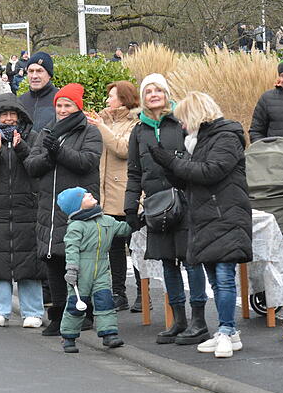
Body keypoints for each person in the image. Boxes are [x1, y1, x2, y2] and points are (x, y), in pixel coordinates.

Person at [149, 91, 252, 358]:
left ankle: (228, 330)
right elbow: (189, 181)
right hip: (206, 216)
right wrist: (169, 167)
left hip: (225, 215)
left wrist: (173, 162)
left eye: (184, 119)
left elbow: (210, 172)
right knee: (216, 281)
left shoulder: (227, 137)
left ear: (196, 115)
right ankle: (227, 332)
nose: (181, 125)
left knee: (225, 277)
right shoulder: (199, 141)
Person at [124, 74, 210, 343]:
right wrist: (129, 206)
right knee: (167, 263)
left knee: (190, 261)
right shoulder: (138, 131)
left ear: (166, 94)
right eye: (148, 90)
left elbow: (197, 159)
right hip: (156, 205)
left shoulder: (182, 122)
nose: (153, 94)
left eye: (158, 89)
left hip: (184, 201)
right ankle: (178, 319)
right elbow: (134, 172)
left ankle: (198, 321)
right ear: (142, 97)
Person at [24, 83, 102, 336]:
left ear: (77, 106)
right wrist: (49, 155)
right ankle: (58, 314)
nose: (62, 110)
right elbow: (32, 165)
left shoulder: (90, 132)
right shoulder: (47, 131)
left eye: (68, 105)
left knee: (78, 263)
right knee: (53, 261)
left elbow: (86, 162)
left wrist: (59, 151)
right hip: (50, 206)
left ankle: (82, 313)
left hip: (77, 208)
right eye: (59, 105)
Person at [0, 93, 43, 327]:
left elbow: (37, 167)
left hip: (27, 207)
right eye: (5, 114)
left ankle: (32, 311)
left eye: (13, 114)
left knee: (29, 260)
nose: (10, 119)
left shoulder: (32, 137)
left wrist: (21, 147)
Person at [86, 81, 140, 312]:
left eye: (112, 97)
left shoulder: (135, 123)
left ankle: (143, 293)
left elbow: (123, 148)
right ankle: (119, 293)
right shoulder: (105, 120)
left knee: (135, 246)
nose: (108, 100)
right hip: (106, 194)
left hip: (126, 194)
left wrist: (100, 126)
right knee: (114, 247)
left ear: (124, 99)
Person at [56, 187, 129, 353]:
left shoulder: (107, 221)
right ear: (77, 206)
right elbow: (72, 249)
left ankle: (109, 334)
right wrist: (72, 270)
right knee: (76, 305)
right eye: (83, 195)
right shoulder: (76, 226)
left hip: (102, 270)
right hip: (81, 272)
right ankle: (68, 336)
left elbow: (124, 228)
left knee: (105, 301)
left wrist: (137, 220)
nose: (89, 194)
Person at [18, 51, 59, 132]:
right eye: (31, 71)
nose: (34, 76)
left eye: (39, 71)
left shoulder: (61, 100)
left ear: (49, 75)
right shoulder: (20, 101)